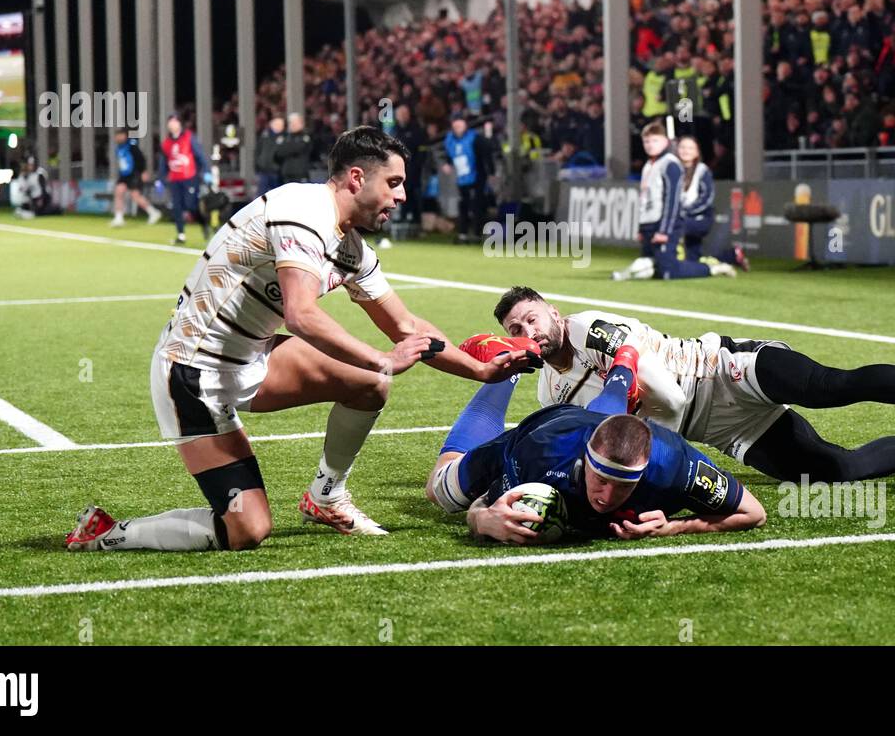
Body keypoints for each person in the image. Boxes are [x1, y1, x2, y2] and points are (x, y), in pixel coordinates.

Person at [66, 127, 540, 552]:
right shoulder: (300, 210)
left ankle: (327, 496)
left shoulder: (351, 246)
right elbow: (302, 315)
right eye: (393, 183)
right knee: (247, 531)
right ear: (357, 177)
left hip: (252, 359)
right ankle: (108, 532)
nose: (401, 195)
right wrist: (382, 359)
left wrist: (478, 369)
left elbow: (407, 328)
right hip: (192, 373)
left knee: (368, 385)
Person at [491, 287, 895, 484]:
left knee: (828, 386)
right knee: (838, 473)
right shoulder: (548, 396)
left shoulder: (590, 329)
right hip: (724, 430)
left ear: (553, 312)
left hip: (722, 370)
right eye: (516, 330)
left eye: (533, 318)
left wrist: (669, 465)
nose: (529, 332)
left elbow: (671, 400)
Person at [427, 341, 766, 544]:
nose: (607, 497)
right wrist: (482, 520)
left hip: (595, 429)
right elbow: (479, 509)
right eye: (601, 479)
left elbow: (754, 513)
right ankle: (510, 366)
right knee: (439, 491)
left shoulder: (674, 462)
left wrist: (675, 528)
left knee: (607, 420)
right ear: (585, 460)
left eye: (623, 485)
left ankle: (622, 369)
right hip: (544, 430)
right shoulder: (541, 456)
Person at [612, 121, 735, 280]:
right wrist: (641, 227)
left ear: (665, 142)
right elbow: (644, 199)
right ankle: (628, 274)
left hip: (668, 223)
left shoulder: (670, 164)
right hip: (650, 223)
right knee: (655, 264)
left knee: (669, 271)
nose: (650, 145)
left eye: (655, 141)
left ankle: (713, 268)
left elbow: (672, 200)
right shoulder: (649, 165)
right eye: (646, 141)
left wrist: (665, 230)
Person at [676, 135, 748, 271]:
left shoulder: (702, 171)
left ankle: (672, 261)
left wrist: (685, 212)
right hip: (683, 217)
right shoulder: (675, 170)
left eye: (690, 148)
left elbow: (706, 198)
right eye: (683, 147)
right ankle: (731, 256)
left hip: (699, 219)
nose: (686, 151)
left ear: (697, 152)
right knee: (694, 261)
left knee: (676, 228)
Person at [157, 113, 211, 245]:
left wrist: (206, 171)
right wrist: (161, 179)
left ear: (180, 123)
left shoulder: (189, 137)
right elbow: (163, 162)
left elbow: (200, 155)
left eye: (175, 121)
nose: (172, 124)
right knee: (177, 206)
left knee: (191, 205)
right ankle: (181, 235)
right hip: (175, 179)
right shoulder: (166, 143)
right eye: (170, 122)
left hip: (190, 177)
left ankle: (204, 224)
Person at [444, 114, 484, 243]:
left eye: (460, 125)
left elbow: (484, 155)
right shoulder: (450, 139)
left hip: (477, 176)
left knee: (476, 205)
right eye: (455, 126)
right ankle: (463, 233)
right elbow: (449, 154)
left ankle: (477, 233)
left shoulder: (475, 138)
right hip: (462, 177)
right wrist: (448, 163)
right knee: (463, 205)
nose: (458, 128)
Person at [110, 129, 162, 227]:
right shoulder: (118, 148)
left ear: (124, 136)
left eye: (119, 135)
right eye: (116, 136)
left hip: (134, 174)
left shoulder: (132, 145)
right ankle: (119, 218)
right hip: (124, 175)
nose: (117, 138)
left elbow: (141, 158)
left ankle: (153, 212)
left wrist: (143, 171)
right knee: (118, 192)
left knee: (135, 196)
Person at [277, 112, 313, 186]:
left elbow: (299, 148)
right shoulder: (285, 137)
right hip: (287, 175)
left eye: (294, 123)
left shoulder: (305, 136)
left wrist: (287, 147)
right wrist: (291, 146)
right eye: (290, 123)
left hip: (300, 174)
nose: (292, 125)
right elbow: (279, 152)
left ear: (301, 123)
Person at [255, 115, 285, 198]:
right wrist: (258, 163)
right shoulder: (264, 135)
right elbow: (258, 150)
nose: (280, 127)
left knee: (276, 194)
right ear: (272, 124)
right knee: (261, 195)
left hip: (276, 171)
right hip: (263, 170)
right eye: (278, 124)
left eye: (281, 125)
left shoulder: (284, 137)